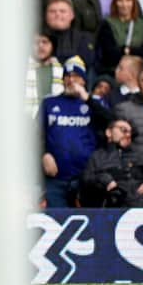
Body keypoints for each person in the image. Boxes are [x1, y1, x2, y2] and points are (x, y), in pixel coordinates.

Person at [40, 56, 113, 209]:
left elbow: (111, 122)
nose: (71, 80)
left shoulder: (95, 103)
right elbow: (33, 136)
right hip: (56, 178)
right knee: (56, 223)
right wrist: (44, 154)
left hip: (88, 179)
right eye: (67, 76)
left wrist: (87, 98)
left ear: (84, 80)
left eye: (76, 76)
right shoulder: (49, 103)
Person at [81, 118, 143, 207]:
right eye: (123, 130)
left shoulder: (136, 155)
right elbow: (86, 179)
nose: (128, 135)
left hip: (141, 202)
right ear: (108, 132)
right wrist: (104, 180)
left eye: (130, 132)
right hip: (111, 203)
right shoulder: (98, 156)